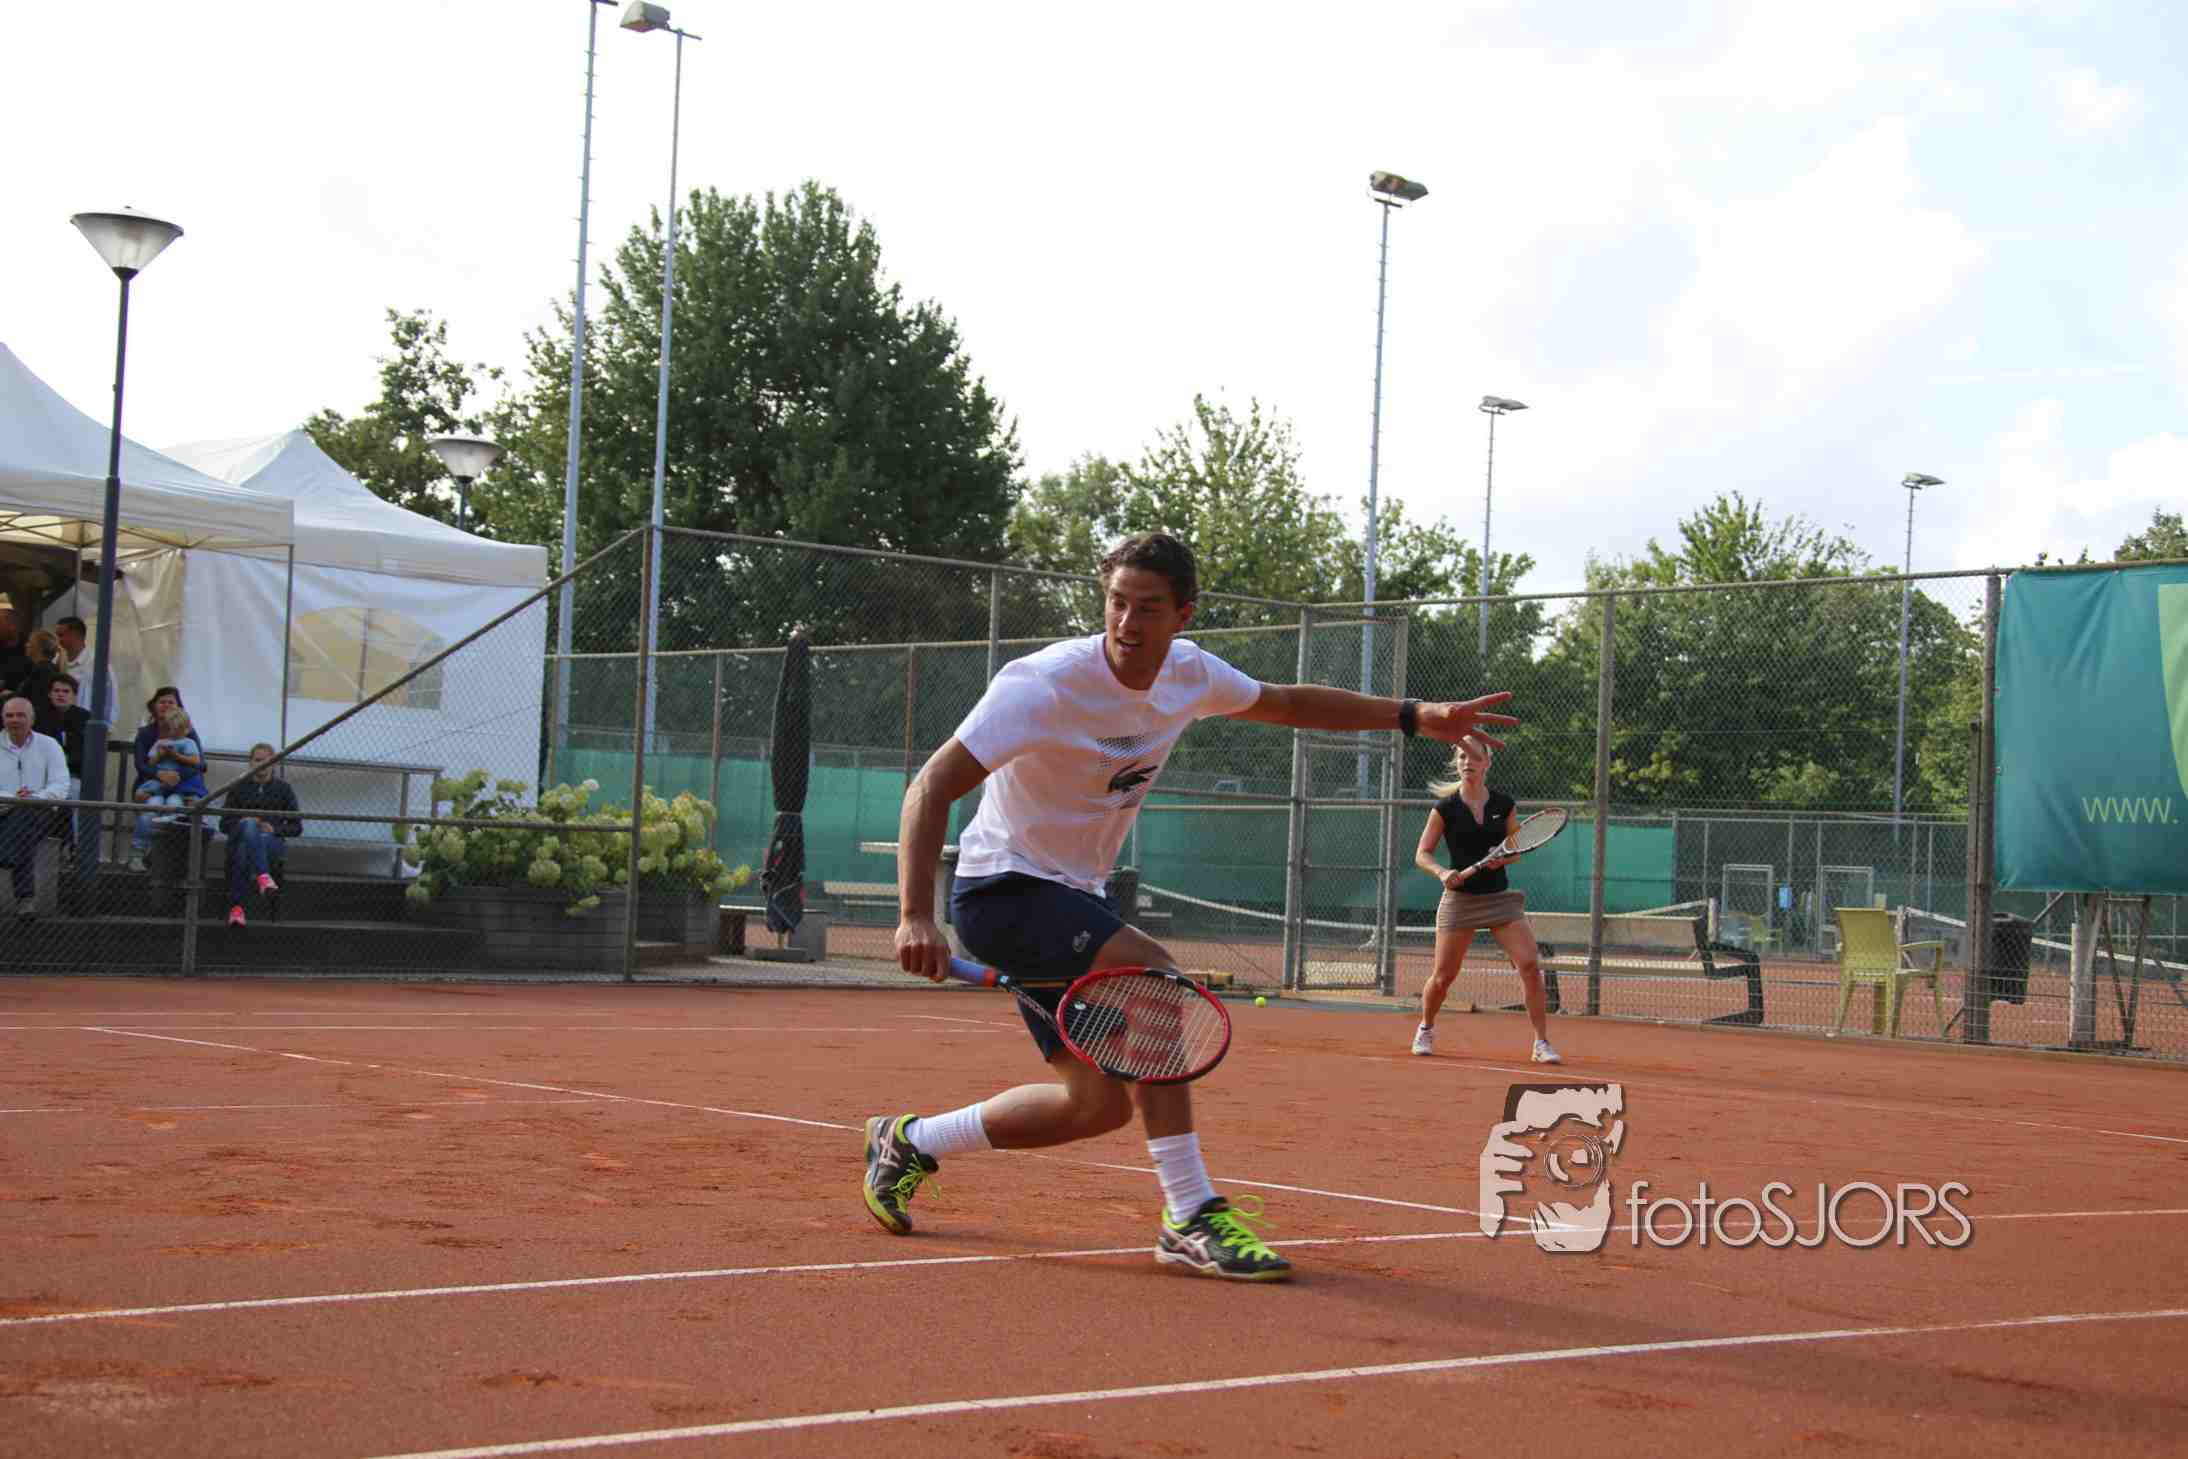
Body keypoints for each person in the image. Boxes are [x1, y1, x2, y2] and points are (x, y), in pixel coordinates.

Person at [867, 531, 1518, 1281]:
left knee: (1096, 1107)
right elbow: (932, 785)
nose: (1127, 623)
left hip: (1075, 895)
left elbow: (1287, 702)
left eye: (1148, 608)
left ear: (1184, 615)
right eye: (1117, 603)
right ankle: (1189, 1213)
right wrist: (915, 914)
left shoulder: (1189, 674)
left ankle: (908, 1140)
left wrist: (1412, 714)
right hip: (1001, 889)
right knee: (1156, 979)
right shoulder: (1042, 684)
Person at [1409, 735, 1561, 1065]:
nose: (1467, 763)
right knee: (1443, 977)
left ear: (1487, 763)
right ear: (1457, 763)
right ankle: (1426, 1028)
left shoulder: (1503, 805)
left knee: (1530, 966)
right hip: (1460, 901)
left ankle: (1541, 1042)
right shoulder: (1445, 809)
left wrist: (1502, 858)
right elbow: (1422, 853)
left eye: (1474, 757)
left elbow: (1515, 850)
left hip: (1500, 900)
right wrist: (1442, 872)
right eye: (1462, 757)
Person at [218, 743, 302, 928]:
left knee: (243, 851)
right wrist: (242, 823)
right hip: (239, 837)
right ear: (250, 762)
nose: (262, 764)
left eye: (267, 760)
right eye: (257, 760)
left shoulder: (283, 789)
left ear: (274, 762)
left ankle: (237, 909)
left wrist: (274, 829)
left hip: (270, 842)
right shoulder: (238, 787)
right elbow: (224, 825)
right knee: (249, 825)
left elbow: (296, 827)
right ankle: (264, 877)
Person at [0, 695, 68, 919]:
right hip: (3, 807)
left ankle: (6, 858)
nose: (14, 720)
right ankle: (25, 900)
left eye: (21, 715)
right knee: (21, 831)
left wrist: (34, 798)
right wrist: (12, 798)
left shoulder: (49, 745)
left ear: (32, 719)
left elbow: (61, 784)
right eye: (9, 715)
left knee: (23, 821)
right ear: (3, 718)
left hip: (39, 810)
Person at [131, 704, 207, 864]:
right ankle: (139, 850)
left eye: (179, 730)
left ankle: (164, 852)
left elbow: (197, 762)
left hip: (179, 788)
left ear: (186, 729)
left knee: (174, 808)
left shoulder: (189, 743)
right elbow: (149, 763)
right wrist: (159, 755)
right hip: (157, 785)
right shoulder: (161, 742)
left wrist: (175, 756)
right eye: (172, 729)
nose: (174, 733)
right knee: (152, 809)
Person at [127, 687, 186, 871]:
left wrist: (176, 776)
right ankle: (137, 854)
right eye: (162, 702)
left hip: (178, 787)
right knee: (150, 812)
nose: (166, 705)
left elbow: (199, 765)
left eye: (171, 702)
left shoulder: (187, 734)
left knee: (174, 812)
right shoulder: (145, 733)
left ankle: (161, 856)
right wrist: (159, 775)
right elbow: (141, 764)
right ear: (154, 706)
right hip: (150, 786)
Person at [53, 616, 119, 726]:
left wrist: (105, 727)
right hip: (59, 725)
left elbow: (111, 698)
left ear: (75, 635)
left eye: (61, 635)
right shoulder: (56, 660)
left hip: (86, 727)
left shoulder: (97, 663)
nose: (58, 640)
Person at [34, 674, 88, 800]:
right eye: (56, 691)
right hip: (42, 773)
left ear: (74, 695)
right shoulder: (37, 716)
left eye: (66, 691)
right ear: (49, 694)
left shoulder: (85, 718)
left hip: (72, 774)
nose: (60, 695)